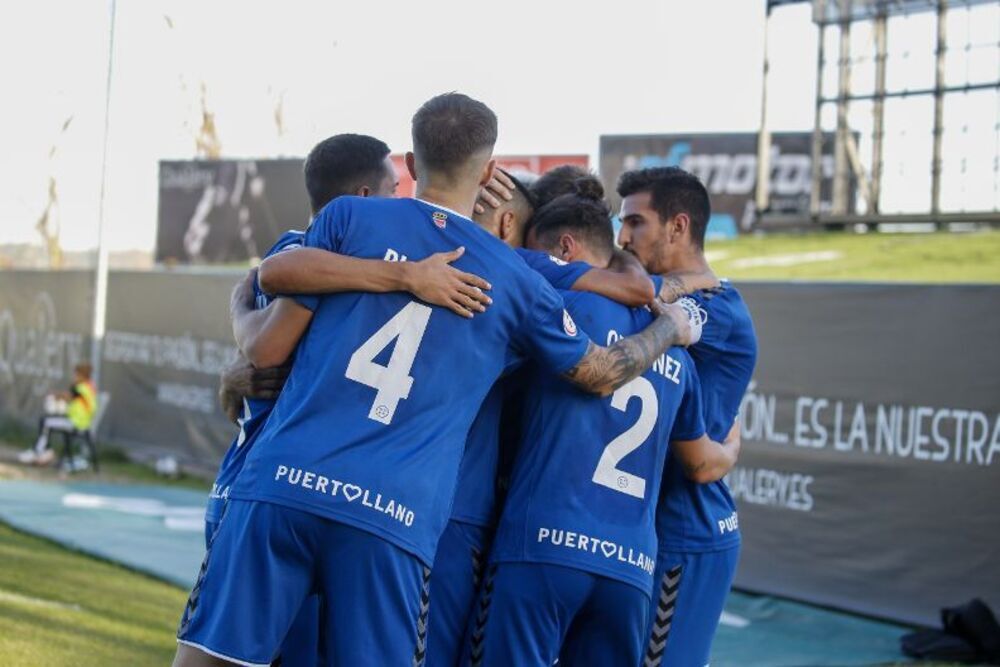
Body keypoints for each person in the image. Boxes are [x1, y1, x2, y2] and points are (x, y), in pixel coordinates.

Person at [173, 92, 696, 667]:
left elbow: (268, 330)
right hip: (392, 515)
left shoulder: (350, 218)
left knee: (208, 660)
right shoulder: (516, 280)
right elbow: (600, 372)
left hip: (282, 484)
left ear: (411, 165)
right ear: (490, 171)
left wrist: (391, 276)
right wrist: (667, 331)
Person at [207, 132, 490, 667]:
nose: (403, 205)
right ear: (360, 199)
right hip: (273, 490)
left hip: (274, 486)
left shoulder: (315, 253)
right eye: (392, 189)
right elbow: (266, 347)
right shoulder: (312, 252)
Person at [471, 182, 739, 666]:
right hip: (630, 568)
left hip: (542, 547)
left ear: (564, 249)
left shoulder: (557, 307)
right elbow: (700, 457)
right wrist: (733, 448)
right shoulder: (677, 345)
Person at [617, 166, 758, 667]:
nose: (622, 237)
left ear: (678, 227)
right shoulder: (665, 291)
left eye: (636, 223)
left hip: (686, 530)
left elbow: (700, 466)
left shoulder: (716, 312)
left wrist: (724, 452)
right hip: (637, 525)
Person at [20, 362, 98, 467]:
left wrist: (56, 395)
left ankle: (39, 451)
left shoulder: (82, 387)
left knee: (45, 422)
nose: (74, 377)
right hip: (77, 421)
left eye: (76, 374)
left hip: (76, 423)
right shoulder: (89, 386)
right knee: (47, 421)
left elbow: (69, 395)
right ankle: (45, 450)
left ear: (81, 375)